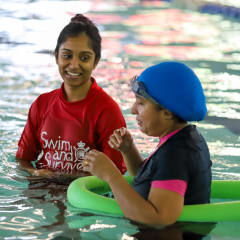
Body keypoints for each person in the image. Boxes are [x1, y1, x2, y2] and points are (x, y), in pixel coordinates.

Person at [82, 61, 212, 226]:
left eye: (141, 103)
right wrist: (128, 151)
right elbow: (148, 182)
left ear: (166, 113)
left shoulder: (176, 154)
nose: (133, 110)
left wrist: (111, 176)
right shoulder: (182, 139)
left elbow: (158, 218)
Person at [16, 14, 126, 179]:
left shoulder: (107, 111)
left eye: (84, 58)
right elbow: (22, 161)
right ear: (56, 56)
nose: (74, 65)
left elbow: (117, 176)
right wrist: (35, 173)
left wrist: (72, 180)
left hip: (83, 198)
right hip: (41, 193)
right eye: (67, 56)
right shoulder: (42, 104)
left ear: (96, 62)